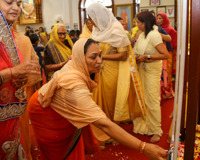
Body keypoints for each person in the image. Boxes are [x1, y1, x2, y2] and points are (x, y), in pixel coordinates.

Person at [28, 38, 168, 160]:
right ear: (80, 57)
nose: (99, 61)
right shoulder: (73, 86)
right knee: (58, 152)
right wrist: (144, 147)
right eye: (93, 57)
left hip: (53, 105)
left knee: (72, 142)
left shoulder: (76, 65)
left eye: (100, 55)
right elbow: (104, 125)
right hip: (44, 113)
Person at [87, 3, 145, 145]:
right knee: (98, 104)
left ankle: (112, 133)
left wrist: (102, 57)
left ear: (99, 17)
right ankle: (101, 132)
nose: (91, 22)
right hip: (99, 71)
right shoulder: (98, 31)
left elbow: (123, 55)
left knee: (110, 104)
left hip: (112, 73)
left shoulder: (116, 31)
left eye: (92, 18)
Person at [0, 0, 41, 159]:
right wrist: (13, 73)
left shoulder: (14, 39)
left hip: (13, 116)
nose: (16, 8)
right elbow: (12, 71)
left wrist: (21, 77)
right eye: (9, 2)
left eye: (18, 3)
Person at [133, 11, 169, 143]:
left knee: (152, 99)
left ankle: (156, 130)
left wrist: (147, 57)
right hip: (142, 69)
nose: (137, 25)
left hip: (152, 70)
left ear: (145, 23)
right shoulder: (142, 35)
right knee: (143, 98)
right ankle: (147, 125)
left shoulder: (154, 35)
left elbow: (165, 55)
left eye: (139, 22)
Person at [157, 13, 177, 99]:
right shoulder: (157, 29)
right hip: (158, 53)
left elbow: (174, 45)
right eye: (157, 18)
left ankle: (167, 91)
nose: (158, 20)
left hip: (168, 53)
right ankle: (161, 92)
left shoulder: (171, 30)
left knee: (166, 73)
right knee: (159, 72)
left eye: (160, 18)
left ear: (165, 19)